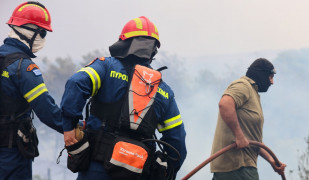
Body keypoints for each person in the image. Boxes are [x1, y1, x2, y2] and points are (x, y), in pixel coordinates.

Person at [61, 16, 187, 180]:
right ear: (153, 50)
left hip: (96, 169)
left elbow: (75, 83)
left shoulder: (105, 67)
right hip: (138, 174)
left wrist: (69, 128)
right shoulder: (164, 91)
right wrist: (169, 173)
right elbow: (177, 141)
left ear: (123, 43)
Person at [0, 2, 63, 180]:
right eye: (42, 33)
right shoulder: (24, 67)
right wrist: (75, 127)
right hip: (12, 154)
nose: (43, 39)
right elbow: (47, 111)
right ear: (30, 31)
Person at [210, 58, 286, 180]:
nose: (272, 82)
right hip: (237, 166)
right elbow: (225, 104)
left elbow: (252, 140)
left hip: (241, 167)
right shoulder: (243, 85)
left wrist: (272, 161)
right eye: (270, 77)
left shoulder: (253, 93)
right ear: (261, 74)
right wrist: (239, 135)